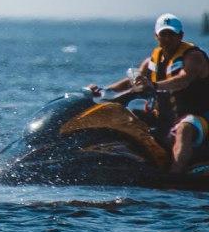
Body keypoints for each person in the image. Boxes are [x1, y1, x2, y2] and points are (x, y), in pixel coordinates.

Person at [89, 13, 209, 174]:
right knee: (123, 115)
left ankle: (174, 176)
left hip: (199, 117)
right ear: (156, 36)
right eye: (163, 34)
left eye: (172, 34)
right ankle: (111, 162)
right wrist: (102, 91)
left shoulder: (194, 57)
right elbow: (131, 81)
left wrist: (153, 85)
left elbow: (183, 80)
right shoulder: (151, 61)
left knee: (184, 128)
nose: (167, 38)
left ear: (180, 36)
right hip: (164, 117)